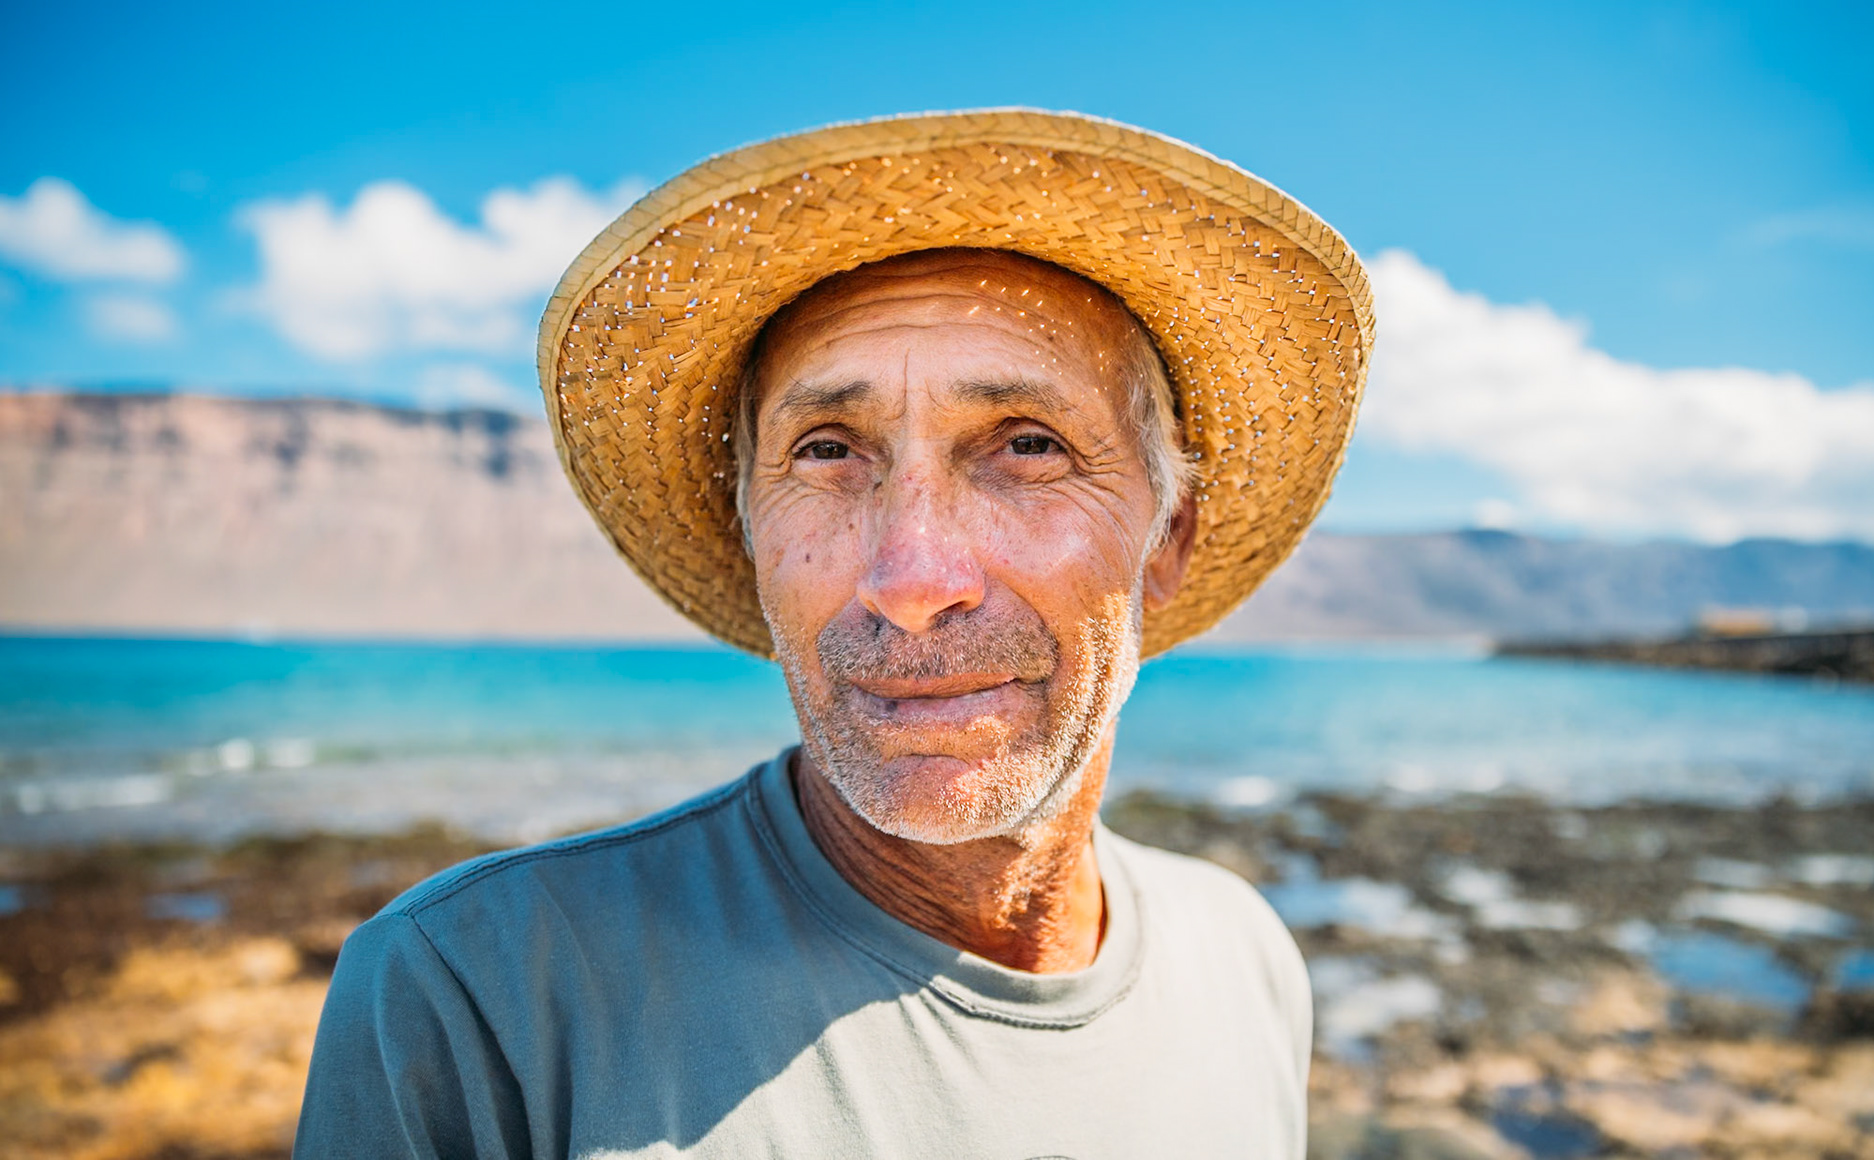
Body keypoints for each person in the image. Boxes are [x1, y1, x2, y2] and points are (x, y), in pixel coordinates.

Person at [296, 110, 1373, 1158]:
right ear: (753, 533)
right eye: (826, 451)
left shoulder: (1244, 963)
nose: (914, 578)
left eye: (1028, 445)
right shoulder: (475, 998)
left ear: (1167, 538)